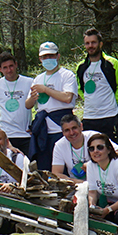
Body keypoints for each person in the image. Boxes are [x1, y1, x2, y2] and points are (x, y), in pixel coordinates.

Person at [25, 42, 77, 171]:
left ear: (58, 56)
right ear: (40, 59)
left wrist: (46, 90)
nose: (48, 59)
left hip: (61, 128)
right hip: (43, 129)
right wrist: (32, 97)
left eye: (51, 56)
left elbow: (67, 97)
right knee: (44, 166)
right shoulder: (38, 79)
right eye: (44, 57)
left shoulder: (67, 75)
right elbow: (27, 105)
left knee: (63, 166)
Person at [77, 28, 118, 150]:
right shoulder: (81, 66)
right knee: (92, 150)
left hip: (109, 116)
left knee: (117, 150)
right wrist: (90, 100)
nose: (91, 46)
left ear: (100, 44)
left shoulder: (112, 63)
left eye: (93, 42)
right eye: (87, 43)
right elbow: (79, 88)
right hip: (89, 117)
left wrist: (112, 101)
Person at [0, 51, 33, 153]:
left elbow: (40, 105)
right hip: (5, 136)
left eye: (11, 66)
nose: (9, 70)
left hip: (25, 135)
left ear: (16, 65)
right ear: (0, 69)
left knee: (27, 166)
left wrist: (34, 126)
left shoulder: (29, 82)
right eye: (5, 67)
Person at [53, 114, 118, 183]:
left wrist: (92, 165)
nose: (72, 133)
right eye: (67, 130)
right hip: (77, 186)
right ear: (62, 132)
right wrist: (83, 184)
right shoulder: (59, 145)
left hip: (103, 182)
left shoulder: (94, 137)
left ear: (81, 127)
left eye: (74, 128)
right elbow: (56, 174)